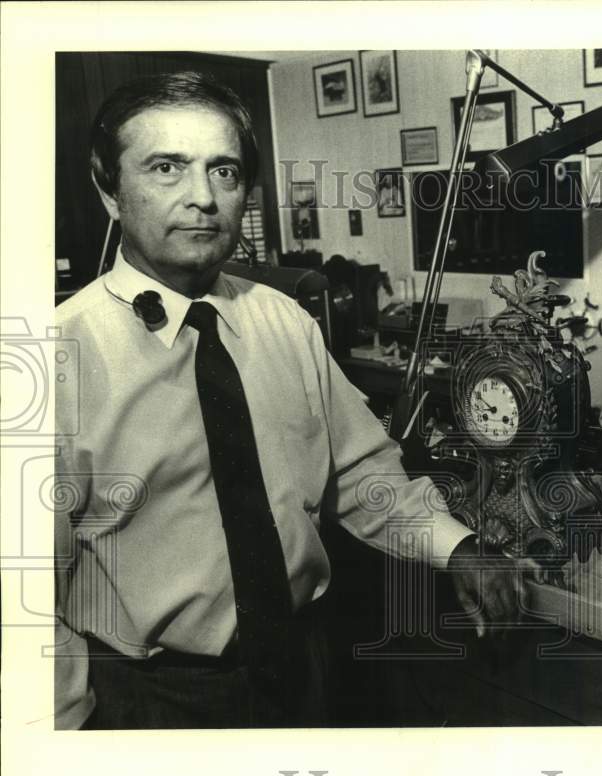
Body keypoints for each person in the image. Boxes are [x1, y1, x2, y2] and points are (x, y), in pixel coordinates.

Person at [53, 71, 519, 729]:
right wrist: (65, 742)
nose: (202, 198)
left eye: (224, 172)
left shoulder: (285, 324)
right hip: (151, 702)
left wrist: (456, 545)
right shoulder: (52, 359)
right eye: (166, 168)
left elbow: (361, 477)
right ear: (109, 189)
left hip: (306, 669)